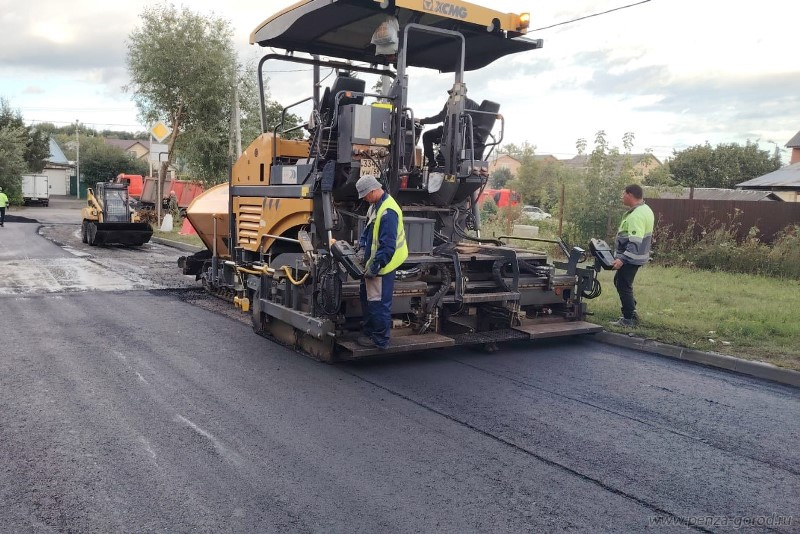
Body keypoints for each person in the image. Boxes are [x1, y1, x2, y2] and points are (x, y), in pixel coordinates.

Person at [355, 174, 408, 348]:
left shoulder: (388, 212)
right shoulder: (374, 206)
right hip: (374, 262)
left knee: (378, 303)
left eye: (365, 196)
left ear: (372, 191)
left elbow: (387, 247)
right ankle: (370, 331)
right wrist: (362, 246)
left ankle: (380, 340)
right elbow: (368, 230)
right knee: (368, 298)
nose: (364, 200)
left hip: (384, 265)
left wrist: (376, 266)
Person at [610, 184, 655, 327]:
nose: (622, 197)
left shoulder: (637, 215)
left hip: (630, 257)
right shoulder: (646, 210)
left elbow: (634, 242)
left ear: (630, 195)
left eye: (624, 194)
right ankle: (631, 311)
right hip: (637, 256)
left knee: (624, 285)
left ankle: (628, 318)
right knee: (620, 282)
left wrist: (622, 259)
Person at [417, 89, 478, 169]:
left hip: (451, 132)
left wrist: (422, 121)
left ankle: (432, 162)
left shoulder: (452, 103)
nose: (450, 95)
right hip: (466, 135)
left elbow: (440, 117)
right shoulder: (474, 104)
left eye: (452, 93)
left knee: (427, 135)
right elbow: (484, 116)